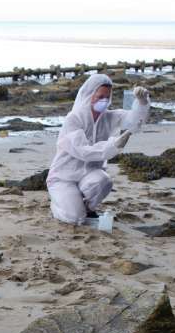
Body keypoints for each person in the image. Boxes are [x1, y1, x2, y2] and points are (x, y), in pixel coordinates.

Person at [46, 73, 150, 225]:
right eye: (100, 96)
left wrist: (142, 102)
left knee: (103, 181)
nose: (105, 101)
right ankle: (59, 205)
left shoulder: (108, 117)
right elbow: (82, 151)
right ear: (89, 95)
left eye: (107, 97)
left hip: (89, 174)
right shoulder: (74, 119)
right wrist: (112, 146)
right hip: (63, 178)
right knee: (75, 218)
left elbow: (133, 121)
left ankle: (87, 207)